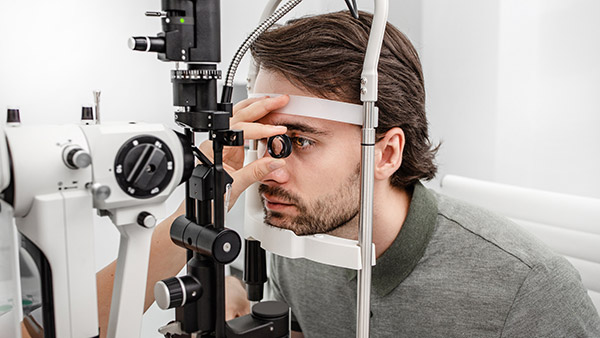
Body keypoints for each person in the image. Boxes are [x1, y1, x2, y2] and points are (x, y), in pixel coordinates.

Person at [70, 10, 600, 338]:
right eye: (262, 138)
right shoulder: (300, 236)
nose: (269, 168)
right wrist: (217, 184)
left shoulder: (529, 291)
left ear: (386, 152)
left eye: (298, 141)